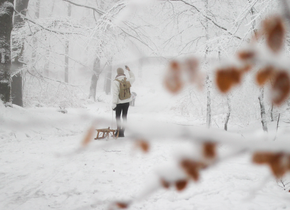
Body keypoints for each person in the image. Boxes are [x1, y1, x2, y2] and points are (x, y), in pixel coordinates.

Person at [112, 65, 135, 137]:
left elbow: (115, 93)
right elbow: (133, 78)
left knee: (118, 117)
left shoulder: (115, 82)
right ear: (123, 72)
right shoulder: (127, 80)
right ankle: (122, 132)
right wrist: (129, 70)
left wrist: (114, 104)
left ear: (117, 73)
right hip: (127, 102)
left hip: (119, 102)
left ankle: (118, 132)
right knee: (124, 116)